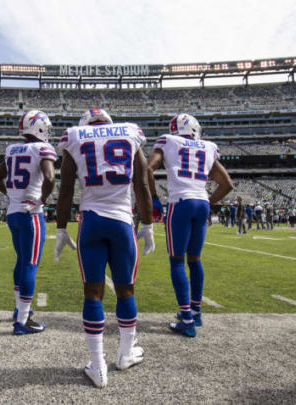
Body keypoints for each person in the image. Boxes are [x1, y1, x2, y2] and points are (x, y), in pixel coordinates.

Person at [54, 108, 154, 388]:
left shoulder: (75, 136)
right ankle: (124, 354)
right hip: (123, 221)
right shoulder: (130, 132)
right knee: (126, 289)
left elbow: (65, 190)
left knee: (93, 294)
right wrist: (147, 223)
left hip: (92, 221)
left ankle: (98, 366)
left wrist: (61, 228)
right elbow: (142, 183)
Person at [147, 113, 233, 338]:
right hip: (201, 202)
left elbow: (148, 169)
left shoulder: (167, 140)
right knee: (195, 260)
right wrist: (208, 201)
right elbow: (227, 184)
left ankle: (186, 318)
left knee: (177, 261)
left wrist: (154, 199)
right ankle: (196, 311)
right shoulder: (208, 147)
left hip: (181, 203)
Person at [0, 109, 56, 335]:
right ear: (39, 127)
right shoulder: (43, 148)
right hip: (31, 213)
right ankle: (23, 320)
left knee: (21, 261)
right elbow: (49, 177)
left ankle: (20, 309)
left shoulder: (12, 149)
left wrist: (11, 195)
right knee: (30, 264)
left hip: (14, 212)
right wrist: (43, 199)